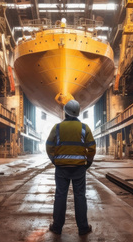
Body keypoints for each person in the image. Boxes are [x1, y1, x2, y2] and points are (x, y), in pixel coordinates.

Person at [46, 99, 96, 236]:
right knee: (80, 197)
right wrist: (88, 162)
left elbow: (49, 145)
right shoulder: (85, 128)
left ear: (65, 112)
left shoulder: (57, 127)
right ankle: (83, 228)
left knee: (60, 196)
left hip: (61, 168)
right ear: (78, 113)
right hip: (79, 168)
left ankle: (57, 227)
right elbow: (91, 148)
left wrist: (54, 160)